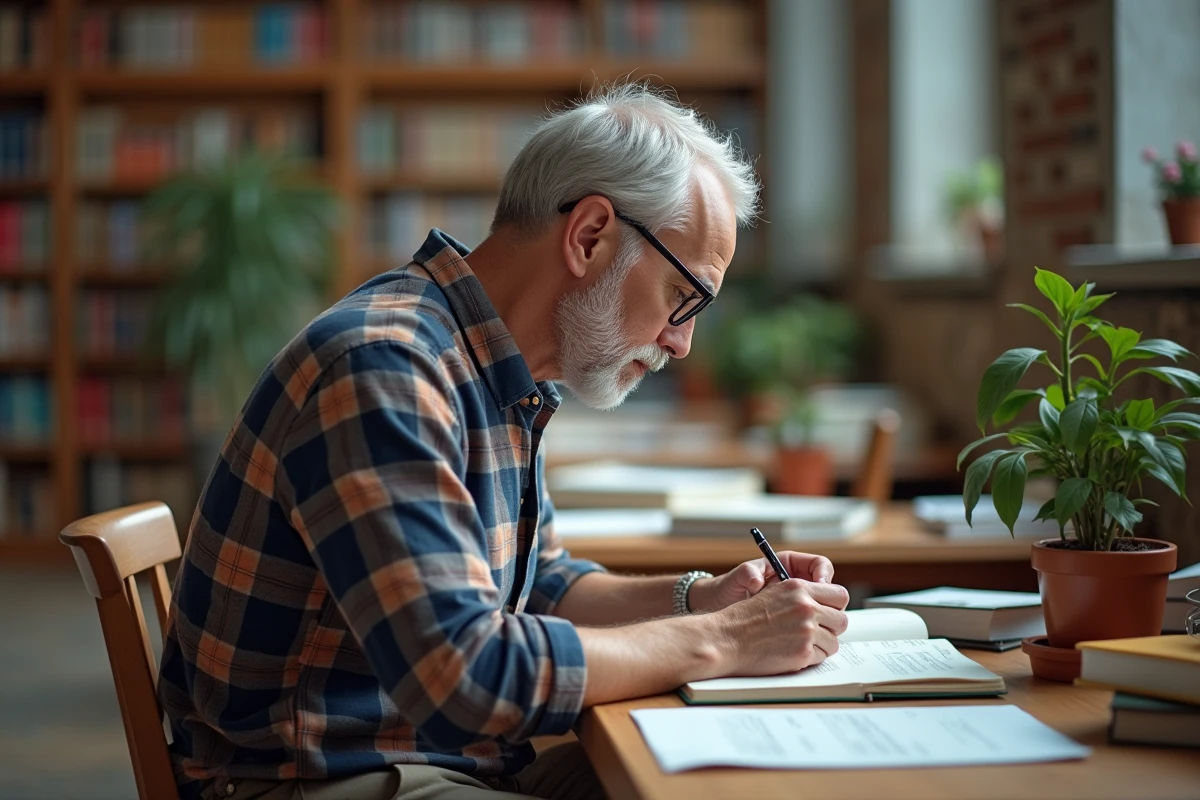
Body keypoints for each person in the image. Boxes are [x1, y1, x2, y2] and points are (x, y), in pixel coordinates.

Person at [158, 82, 851, 800]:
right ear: (589, 236)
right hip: (326, 781)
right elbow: (465, 673)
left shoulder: (491, 370)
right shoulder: (385, 368)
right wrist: (730, 643)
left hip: (434, 760)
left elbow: (540, 586)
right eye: (685, 298)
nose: (682, 342)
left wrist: (701, 602)